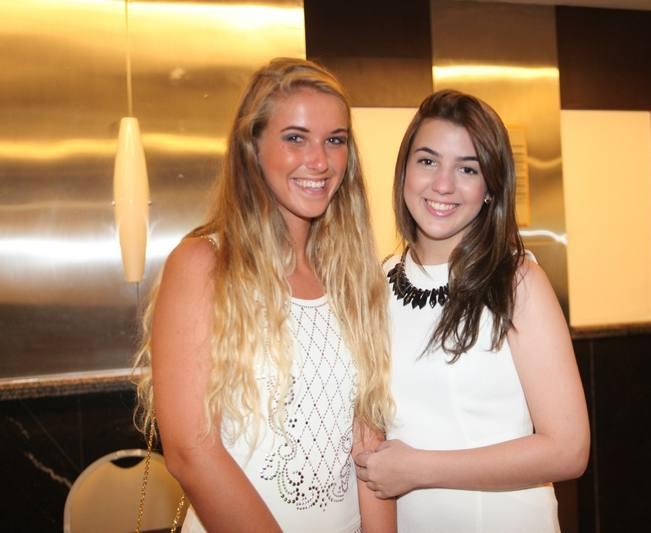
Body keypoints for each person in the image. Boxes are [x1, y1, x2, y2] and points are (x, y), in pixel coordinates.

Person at [134, 58, 395, 533]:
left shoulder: (352, 276)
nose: (320, 161)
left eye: (335, 140)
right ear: (252, 147)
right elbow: (191, 452)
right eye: (295, 137)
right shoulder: (204, 264)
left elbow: (368, 438)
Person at [354, 90, 590, 532]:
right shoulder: (375, 282)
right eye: (428, 161)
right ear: (404, 171)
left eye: (468, 168)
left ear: (489, 189)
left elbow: (568, 450)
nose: (443, 185)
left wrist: (419, 468)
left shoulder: (517, 283)